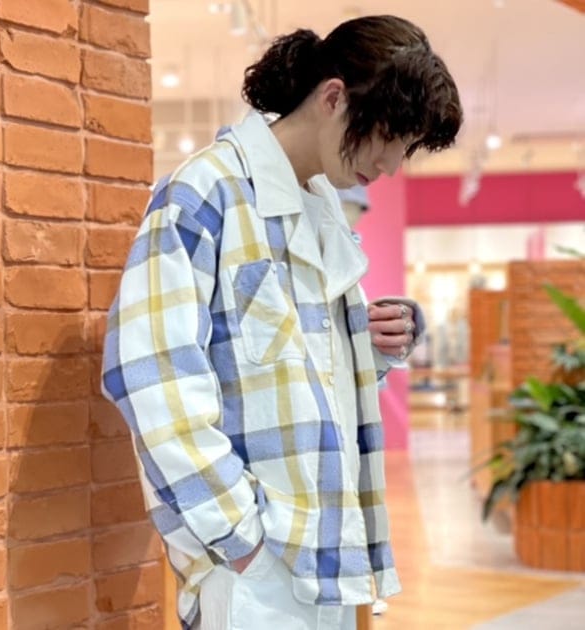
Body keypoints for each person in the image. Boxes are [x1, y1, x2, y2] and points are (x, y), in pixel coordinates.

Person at [102, 14, 462, 630]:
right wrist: (239, 537)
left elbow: (282, 366)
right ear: (333, 97)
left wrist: (366, 345)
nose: (391, 165)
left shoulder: (320, 206)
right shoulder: (205, 191)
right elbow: (147, 370)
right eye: (390, 138)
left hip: (327, 549)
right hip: (258, 564)